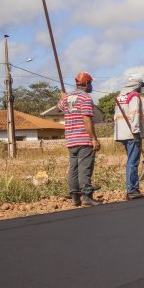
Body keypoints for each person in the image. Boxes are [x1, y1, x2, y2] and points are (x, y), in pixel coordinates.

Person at [58, 71, 101, 206]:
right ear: (87, 84)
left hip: (71, 139)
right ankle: (87, 197)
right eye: (91, 83)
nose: (91, 86)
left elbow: (59, 107)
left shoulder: (67, 98)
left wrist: (62, 97)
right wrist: (93, 138)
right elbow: (86, 119)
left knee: (74, 169)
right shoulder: (85, 98)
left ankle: (75, 197)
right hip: (83, 139)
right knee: (85, 168)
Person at [114, 74, 144, 199]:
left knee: (130, 161)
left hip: (122, 133)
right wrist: (136, 132)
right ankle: (132, 190)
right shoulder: (134, 96)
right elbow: (134, 114)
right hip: (132, 133)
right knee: (133, 162)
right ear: (137, 85)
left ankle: (132, 188)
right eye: (141, 87)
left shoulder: (121, 96)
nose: (141, 89)